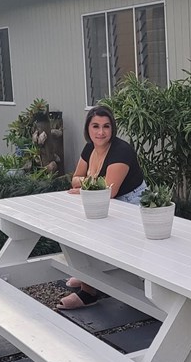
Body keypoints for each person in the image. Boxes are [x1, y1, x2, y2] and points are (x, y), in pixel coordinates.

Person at [59, 105, 146, 309]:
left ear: (112, 128)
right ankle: (87, 275)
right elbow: (74, 179)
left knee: (92, 234)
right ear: (87, 128)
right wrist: (89, 183)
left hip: (131, 203)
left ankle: (89, 292)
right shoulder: (90, 148)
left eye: (106, 126)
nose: (101, 132)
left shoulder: (121, 150)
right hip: (104, 201)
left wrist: (85, 184)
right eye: (95, 126)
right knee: (77, 229)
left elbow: (110, 190)